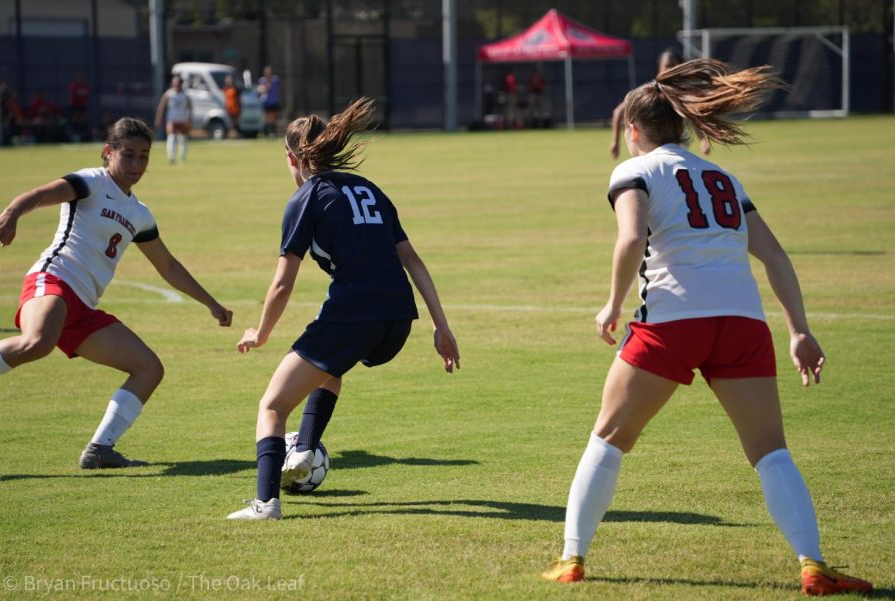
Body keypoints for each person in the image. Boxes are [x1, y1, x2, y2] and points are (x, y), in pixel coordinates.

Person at [542, 59, 872, 596]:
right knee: (771, 451)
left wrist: (611, 304)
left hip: (672, 321)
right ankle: (814, 564)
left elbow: (630, 239)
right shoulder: (722, 176)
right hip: (742, 323)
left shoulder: (636, 170)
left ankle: (572, 559)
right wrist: (799, 330)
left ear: (632, 130)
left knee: (608, 438)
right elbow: (776, 255)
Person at [227, 98, 460, 520]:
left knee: (273, 406)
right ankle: (302, 452)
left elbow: (282, 284)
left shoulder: (306, 198)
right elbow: (414, 261)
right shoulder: (369, 189)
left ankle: (265, 504)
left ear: (291, 157)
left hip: (355, 312)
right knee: (329, 369)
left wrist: (260, 334)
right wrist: (441, 327)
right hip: (398, 319)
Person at [0, 117, 233, 469]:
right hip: (55, 280)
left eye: (144, 157)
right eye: (128, 155)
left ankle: (99, 450)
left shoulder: (139, 214)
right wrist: (13, 211)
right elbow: (42, 194)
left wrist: (211, 303)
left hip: (84, 308)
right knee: (37, 342)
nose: (136, 165)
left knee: (149, 368)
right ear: (109, 152)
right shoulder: (90, 182)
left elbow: (167, 265)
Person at [610, 49, 711, 159]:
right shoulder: (650, 93)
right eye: (667, 66)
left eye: (675, 66)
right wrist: (615, 142)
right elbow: (618, 112)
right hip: (652, 151)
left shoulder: (684, 94)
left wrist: (703, 139)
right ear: (659, 69)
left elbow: (693, 118)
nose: (671, 69)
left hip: (678, 150)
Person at [154, 75, 191, 163]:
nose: (176, 85)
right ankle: (171, 157)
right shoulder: (169, 94)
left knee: (183, 139)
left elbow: (190, 107)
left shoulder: (185, 95)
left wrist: (190, 119)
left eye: (177, 83)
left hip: (183, 119)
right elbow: (161, 107)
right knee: (172, 137)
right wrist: (158, 118)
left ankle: (182, 157)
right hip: (172, 119)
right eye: (174, 83)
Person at [257, 66, 281, 137]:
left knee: (273, 117)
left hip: (273, 101)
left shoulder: (275, 79)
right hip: (266, 102)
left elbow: (271, 87)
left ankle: (273, 132)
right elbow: (260, 89)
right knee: (266, 118)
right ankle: (266, 133)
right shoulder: (262, 80)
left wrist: (267, 85)